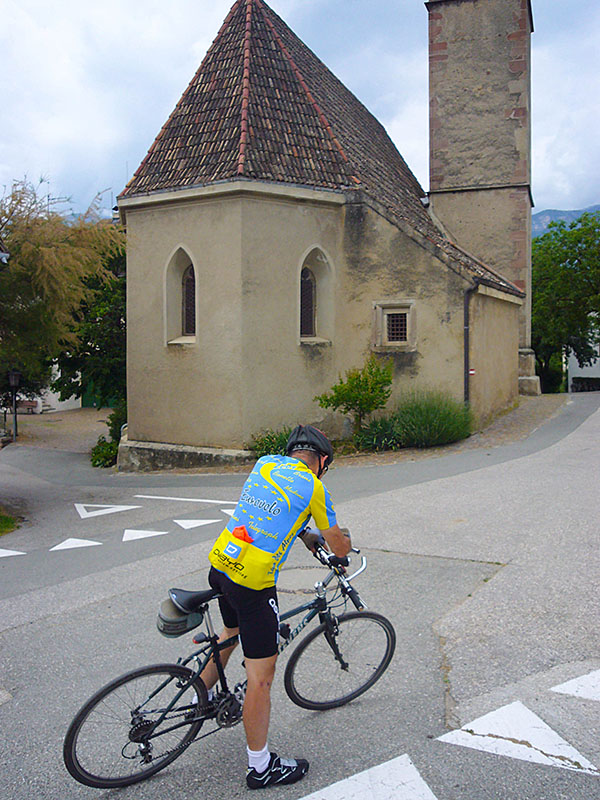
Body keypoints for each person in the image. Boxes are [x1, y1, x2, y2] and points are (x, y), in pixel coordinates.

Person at [202, 424, 351, 789]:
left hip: (220, 565)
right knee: (261, 678)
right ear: (323, 461)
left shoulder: (265, 465)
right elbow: (338, 544)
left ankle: (199, 696)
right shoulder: (315, 487)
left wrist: (304, 533)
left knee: (230, 632)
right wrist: (341, 547)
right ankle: (261, 767)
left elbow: (274, 507)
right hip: (252, 585)